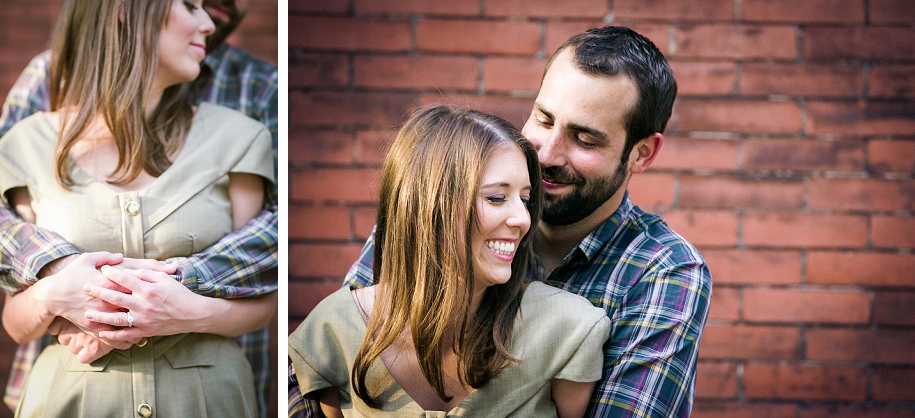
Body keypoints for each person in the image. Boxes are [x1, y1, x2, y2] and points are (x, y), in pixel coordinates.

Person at [291, 25, 712, 417]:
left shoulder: (663, 270)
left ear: (642, 154)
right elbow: (331, 358)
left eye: (584, 139)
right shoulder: (436, 222)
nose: (547, 154)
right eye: (543, 119)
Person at [0, 0, 279, 416]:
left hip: (207, 399)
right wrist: (57, 291)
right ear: (126, 11)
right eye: (189, 5)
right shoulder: (28, 142)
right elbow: (16, 319)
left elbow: (260, 287)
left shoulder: (240, 137)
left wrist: (183, 308)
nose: (209, 24)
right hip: (70, 396)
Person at [289, 104, 611, 417]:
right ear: (428, 208)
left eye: (525, 199)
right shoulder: (333, 334)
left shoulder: (566, 330)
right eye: (497, 197)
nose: (523, 219)